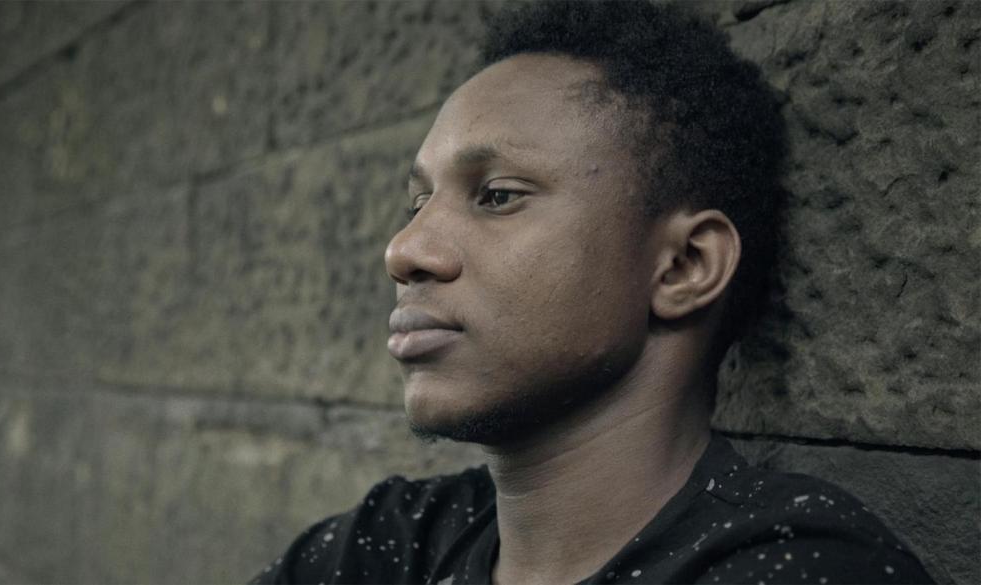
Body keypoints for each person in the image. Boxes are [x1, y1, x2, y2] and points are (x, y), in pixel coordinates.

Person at [252, 2, 933, 583]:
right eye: (416, 203)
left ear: (683, 265)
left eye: (496, 196)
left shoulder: (800, 566)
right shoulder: (395, 544)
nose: (404, 251)